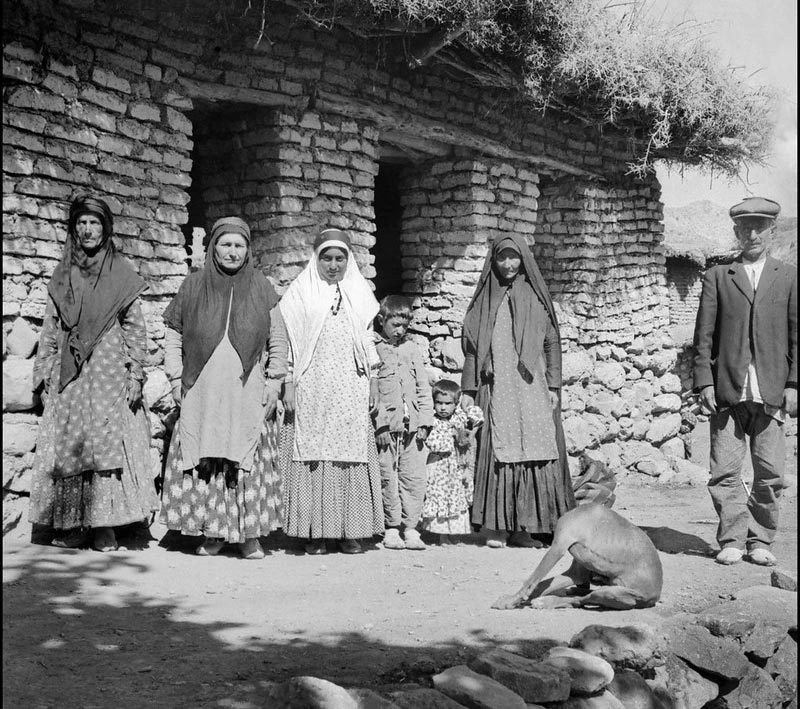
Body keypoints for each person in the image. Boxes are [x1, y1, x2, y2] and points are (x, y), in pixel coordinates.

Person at [29, 194, 158, 551]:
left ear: (106, 228)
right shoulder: (63, 275)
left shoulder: (121, 273)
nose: (87, 230)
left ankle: (106, 527)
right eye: (81, 223)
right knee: (71, 440)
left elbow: (135, 328)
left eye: (94, 223)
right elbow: (51, 327)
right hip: (71, 371)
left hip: (109, 369)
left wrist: (136, 374)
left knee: (106, 439)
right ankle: (73, 525)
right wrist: (44, 372)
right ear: (73, 229)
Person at [159, 216, 286, 559]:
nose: (232, 252)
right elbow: (173, 334)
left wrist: (275, 380)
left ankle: (248, 536)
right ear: (213, 247)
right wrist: (175, 378)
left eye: (239, 245)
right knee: (208, 452)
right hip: (202, 387)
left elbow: (278, 338)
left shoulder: (262, 287)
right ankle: (213, 531)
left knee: (244, 453)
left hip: (246, 389)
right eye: (225, 244)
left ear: (248, 250)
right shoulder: (193, 285)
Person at [693, 196, 797, 567]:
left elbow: (797, 335)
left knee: (770, 472)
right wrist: (705, 382)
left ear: (772, 231)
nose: (752, 234)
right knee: (724, 471)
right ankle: (733, 540)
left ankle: (761, 539)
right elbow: (703, 336)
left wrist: (793, 385)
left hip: (771, 389)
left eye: (760, 227)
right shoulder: (719, 276)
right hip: (728, 389)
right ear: (736, 231)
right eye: (745, 228)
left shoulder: (788, 276)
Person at [461, 233, 574, 548]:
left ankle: (524, 528)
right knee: (499, 448)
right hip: (496, 386)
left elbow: (551, 342)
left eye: (514, 257)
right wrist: (468, 389)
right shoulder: (485, 299)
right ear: (493, 261)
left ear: (523, 260)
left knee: (537, 446)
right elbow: (472, 349)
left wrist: (554, 384)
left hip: (533, 386)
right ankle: (497, 527)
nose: (508, 264)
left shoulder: (535, 296)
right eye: (502, 257)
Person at [279, 228, 384, 554]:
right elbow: (290, 343)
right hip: (312, 385)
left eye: (340, 258)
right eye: (327, 258)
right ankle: (315, 533)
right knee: (313, 451)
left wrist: (374, 382)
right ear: (316, 258)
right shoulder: (300, 292)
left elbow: (368, 340)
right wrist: (288, 383)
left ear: (349, 260)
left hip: (351, 384)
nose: (334, 265)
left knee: (349, 452)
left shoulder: (359, 292)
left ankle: (350, 531)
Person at [373, 295, 434, 551]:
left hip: (413, 428)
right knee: (387, 476)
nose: (400, 330)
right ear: (381, 320)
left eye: (404, 326)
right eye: (395, 325)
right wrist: (380, 424)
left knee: (413, 477)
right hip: (388, 428)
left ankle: (411, 527)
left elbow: (423, 387)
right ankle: (391, 527)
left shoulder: (412, 350)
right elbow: (372, 392)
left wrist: (425, 421)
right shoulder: (374, 348)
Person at [421, 379, 484, 544]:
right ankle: (441, 535)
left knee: (455, 496)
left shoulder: (459, 417)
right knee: (440, 495)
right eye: (439, 403)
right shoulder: (433, 421)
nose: (443, 408)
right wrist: (450, 436)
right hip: (439, 465)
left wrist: (471, 432)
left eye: (448, 403)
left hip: (455, 466)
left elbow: (477, 415)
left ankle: (453, 533)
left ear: (455, 403)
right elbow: (432, 442)